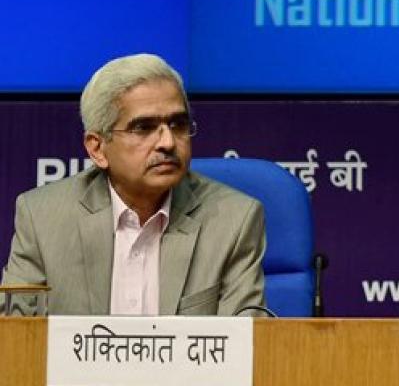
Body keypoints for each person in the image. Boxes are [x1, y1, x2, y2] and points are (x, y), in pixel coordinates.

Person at [1, 54, 266, 315]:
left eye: (178, 124)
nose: (168, 142)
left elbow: (244, 346)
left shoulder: (234, 221)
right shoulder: (43, 218)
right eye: (144, 128)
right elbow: (17, 338)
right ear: (98, 149)